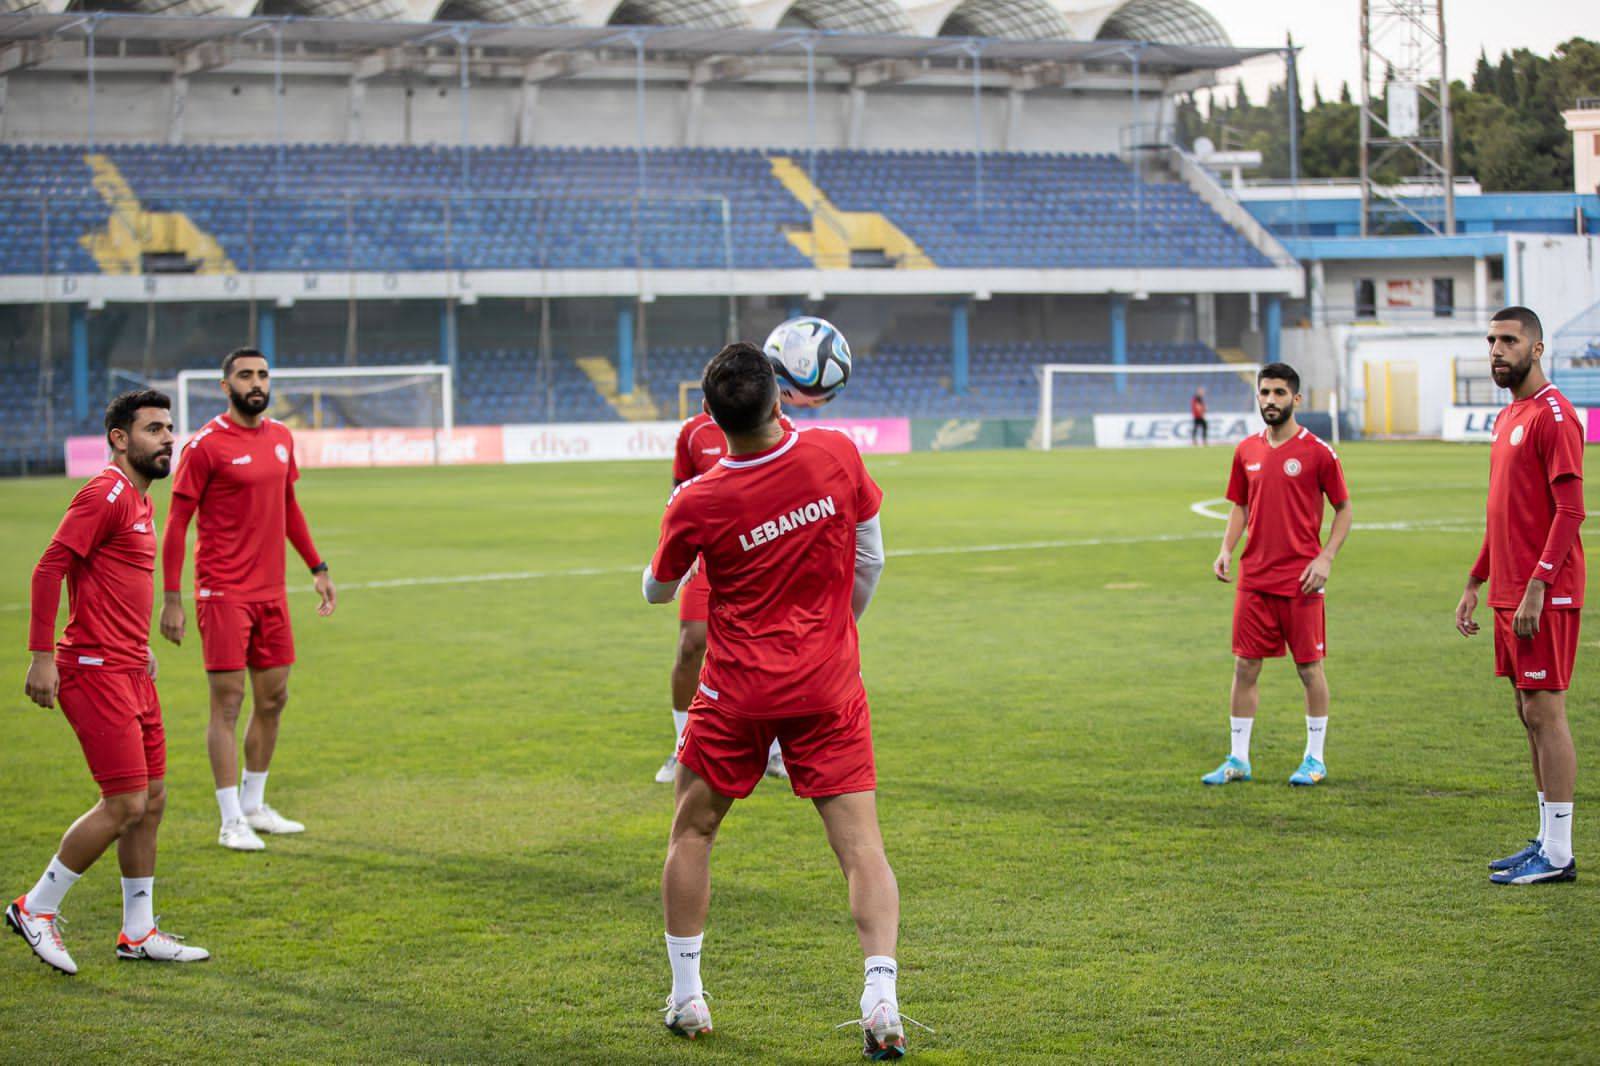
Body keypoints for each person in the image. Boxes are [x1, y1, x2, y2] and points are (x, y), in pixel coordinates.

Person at [642, 343, 911, 1058]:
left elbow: (657, 590)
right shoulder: (836, 455)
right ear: (780, 398)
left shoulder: (698, 500)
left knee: (693, 832)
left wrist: (683, 523)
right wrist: (835, 628)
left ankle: (687, 997)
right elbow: (872, 556)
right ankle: (881, 998)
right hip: (827, 684)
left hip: (736, 692)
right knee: (861, 849)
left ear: (708, 415)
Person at [9, 390, 209, 973]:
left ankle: (138, 931)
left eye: (170, 428)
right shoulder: (107, 491)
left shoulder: (141, 500)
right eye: (153, 429)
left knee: (153, 800)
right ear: (120, 439)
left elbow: (112, 581)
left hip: (129, 667)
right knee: (124, 802)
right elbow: (50, 566)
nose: (168, 437)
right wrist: (41, 656)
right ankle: (35, 907)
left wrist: (137, 642)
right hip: (93, 671)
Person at [160, 348, 336, 852]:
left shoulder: (281, 437)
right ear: (225, 385)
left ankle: (255, 804)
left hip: (271, 593)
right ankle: (229, 818)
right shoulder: (204, 447)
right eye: (245, 375)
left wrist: (317, 567)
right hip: (222, 594)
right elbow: (176, 525)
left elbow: (289, 506)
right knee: (228, 704)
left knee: (274, 698)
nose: (255, 383)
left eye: (262, 374)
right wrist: (172, 598)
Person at [1455, 306, 1583, 885]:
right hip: (1508, 591)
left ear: (1536, 348)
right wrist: (1476, 581)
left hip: (1542, 595)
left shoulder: (1554, 415)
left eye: (1509, 340)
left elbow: (1571, 510)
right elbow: (1501, 512)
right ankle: (1545, 839)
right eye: (1491, 340)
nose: (1496, 350)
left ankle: (1559, 855)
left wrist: (1538, 585)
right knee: (1526, 713)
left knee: (1545, 712)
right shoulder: (1510, 415)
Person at [1207, 363, 1352, 787]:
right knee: (1244, 668)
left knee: (1309, 669)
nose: (1270, 400)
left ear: (1296, 399)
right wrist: (1226, 549)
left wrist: (1325, 558)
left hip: (1301, 581)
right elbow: (1240, 505)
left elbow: (1344, 509)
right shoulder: (1246, 450)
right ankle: (1237, 759)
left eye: (1279, 393)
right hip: (1255, 579)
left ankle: (1315, 759)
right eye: (1265, 392)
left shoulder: (1319, 452)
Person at [656, 408, 788, 784]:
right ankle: (682, 745)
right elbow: (678, 491)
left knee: (769, 645)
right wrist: (682, 551)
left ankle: (774, 752)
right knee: (690, 645)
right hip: (706, 555)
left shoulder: (778, 425)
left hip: (761, 555)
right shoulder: (693, 433)